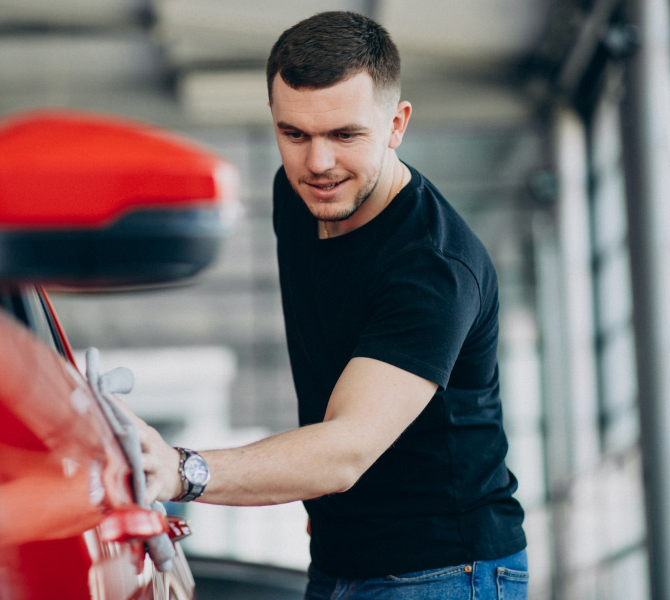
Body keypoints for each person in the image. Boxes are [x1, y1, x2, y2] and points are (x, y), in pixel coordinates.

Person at [134, 10, 527, 599]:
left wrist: (182, 469)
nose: (317, 164)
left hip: (446, 571)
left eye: (345, 135)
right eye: (294, 134)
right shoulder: (297, 198)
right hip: (340, 557)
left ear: (397, 124)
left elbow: (344, 451)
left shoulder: (434, 267)